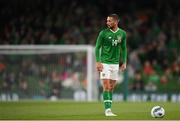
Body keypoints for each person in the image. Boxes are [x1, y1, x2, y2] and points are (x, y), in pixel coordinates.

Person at [95, 14, 127, 116]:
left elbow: (124, 48)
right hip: (105, 63)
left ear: (116, 21)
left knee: (112, 87)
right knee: (106, 86)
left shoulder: (122, 33)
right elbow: (97, 47)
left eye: (110, 21)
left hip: (115, 64)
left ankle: (109, 108)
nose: (107, 22)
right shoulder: (103, 33)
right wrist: (98, 62)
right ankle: (107, 110)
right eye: (107, 21)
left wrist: (124, 62)